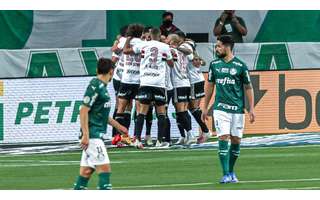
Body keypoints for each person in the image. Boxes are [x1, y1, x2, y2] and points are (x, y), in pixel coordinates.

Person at [202, 35, 255, 184]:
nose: (216, 49)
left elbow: (248, 87)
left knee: (236, 140)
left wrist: (251, 109)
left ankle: (231, 171)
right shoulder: (214, 65)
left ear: (227, 47)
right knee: (223, 137)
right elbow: (210, 86)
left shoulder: (240, 66)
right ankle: (225, 174)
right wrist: (205, 107)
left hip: (237, 110)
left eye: (218, 46)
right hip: (221, 108)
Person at [73, 58, 128, 190]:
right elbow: (83, 110)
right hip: (93, 136)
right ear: (111, 71)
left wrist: (119, 127)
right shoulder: (95, 85)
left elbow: (102, 114)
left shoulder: (102, 87)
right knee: (105, 170)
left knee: (86, 172)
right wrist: (85, 135)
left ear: (97, 69)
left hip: (95, 135)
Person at [123, 28, 174, 148]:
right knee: (161, 113)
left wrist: (128, 39)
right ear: (160, 35)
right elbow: (171, 64)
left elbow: (125, 51)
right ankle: (159, 141)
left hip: (145, 82)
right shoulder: (165, 47)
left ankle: (137, 140)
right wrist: (166, 59)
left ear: (150, 35)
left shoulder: (143, 45)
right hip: (159, 84)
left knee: (142, 112)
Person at [114, 24, 144, 145]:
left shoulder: (123, 41)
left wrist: (123, 40)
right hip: (139, 80)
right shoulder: (143, 43)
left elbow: (115, 48)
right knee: (137, 109)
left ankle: (118, 137)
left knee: (120, 109)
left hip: (126, 79)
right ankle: (136, 138)